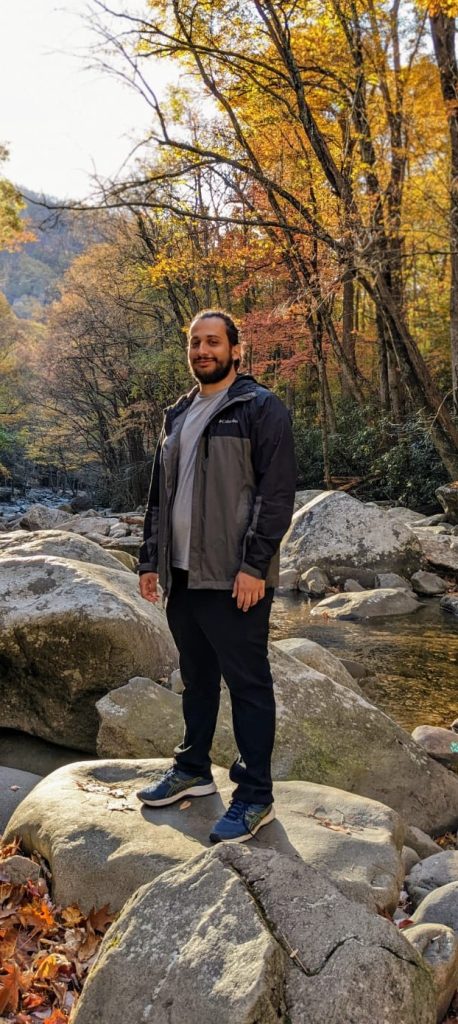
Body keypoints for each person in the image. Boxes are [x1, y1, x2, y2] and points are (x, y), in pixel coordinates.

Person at [137, 310, 296, 843]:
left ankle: (255, 798)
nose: (203, 350)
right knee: (197, 678)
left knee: (248, 686)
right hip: (181, 573)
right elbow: (161, 495)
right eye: (195, 342)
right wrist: (149, 558)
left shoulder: (260, 408)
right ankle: (193, 772)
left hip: (233, 578)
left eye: (213, 342)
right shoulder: (179, 413)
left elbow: (276, 497)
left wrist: (254, 566)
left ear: (235, 349)